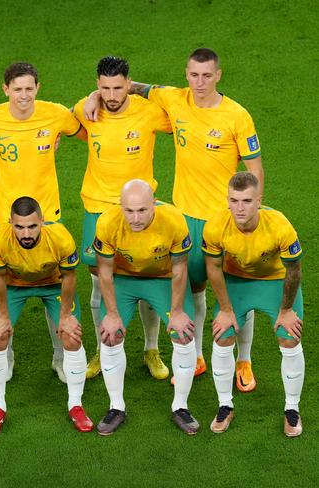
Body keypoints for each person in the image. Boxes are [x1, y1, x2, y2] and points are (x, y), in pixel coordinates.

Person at [85, 48, 264, 390]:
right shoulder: (173, 99)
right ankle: (196, 355)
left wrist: (250, 211)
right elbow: (134, 86)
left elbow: (254, 167)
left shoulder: (237, 116)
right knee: (193, 290)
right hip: (186, 217)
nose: (200, 82)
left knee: (235, 290)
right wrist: (95, 94)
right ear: (186, 74)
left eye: (207, 75)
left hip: (223, 219)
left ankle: (244, 359)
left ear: (218, 75)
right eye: (194, 75)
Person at [0, 62, 82, 382]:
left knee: (56, 280)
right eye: (17, 89)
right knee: (4, 278)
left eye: (29, 88)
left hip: (49, 218)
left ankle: (61, 355)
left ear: (38, 88)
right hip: (6, 219)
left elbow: (85, 127)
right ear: (5, 91)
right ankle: (7, 349)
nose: (24, 95)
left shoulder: (55, 114)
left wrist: (95, 99)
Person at [72, 55, 172, 381]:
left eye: (118, 88)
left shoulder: (149, 113)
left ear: (130, 84)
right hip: (99, 208)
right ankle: (103, 349)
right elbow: (67, 123)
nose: (112, 96)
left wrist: (148, 90)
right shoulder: (86, 110)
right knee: (100, 283)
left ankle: (151, 349)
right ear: (97, 85)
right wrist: (90, 98)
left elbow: (180, 109)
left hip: (140, 207)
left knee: (145, 275)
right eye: (104, 88)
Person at [93, 180, 199, 435]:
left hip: (161, 279)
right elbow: (104, 271)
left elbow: (179, 267)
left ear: (154, 204)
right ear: (121, 207)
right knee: (110, 336)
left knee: (183, 334)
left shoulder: (174, 220)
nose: (136, 218)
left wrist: (176, 312)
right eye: (129, 211)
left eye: (142, 210)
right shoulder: (107, 223)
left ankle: (180, 406)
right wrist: (112, 314)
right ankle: (116, 406)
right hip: (124, 279)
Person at [203, 172, 304, 436]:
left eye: (246, 201)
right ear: (227, 199)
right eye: (234, 200)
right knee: (222, 336)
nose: (239, 207)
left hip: (275, 280)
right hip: (237, 281)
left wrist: (286, 310)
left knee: (289, 338)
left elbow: (294, 271)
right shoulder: (215, 226)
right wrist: (225, 310)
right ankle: (225, 405)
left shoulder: (280, 225)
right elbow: (213, 268)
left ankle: (292, 409)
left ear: (259, 200)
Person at [0, 196, 93, 435]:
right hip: (14, 285)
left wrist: (65, 317)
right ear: (10, 222)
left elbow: (70, 276)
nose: (26, 234)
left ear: (42, 220)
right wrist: (2, 315)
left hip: (53, 284)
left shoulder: (60, 238)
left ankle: (76, 405)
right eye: (19, 227)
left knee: (72, 336)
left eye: (32, 226)